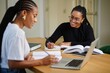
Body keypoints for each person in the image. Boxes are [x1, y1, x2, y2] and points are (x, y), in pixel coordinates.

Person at [0, 0, 58, 73]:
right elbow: (12, 64)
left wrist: (25, 57)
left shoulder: (10, 26)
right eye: (34, 16)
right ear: (24, 13)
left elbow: (13, 54)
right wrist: (42, 61)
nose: (35, 20)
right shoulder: (17, 32)